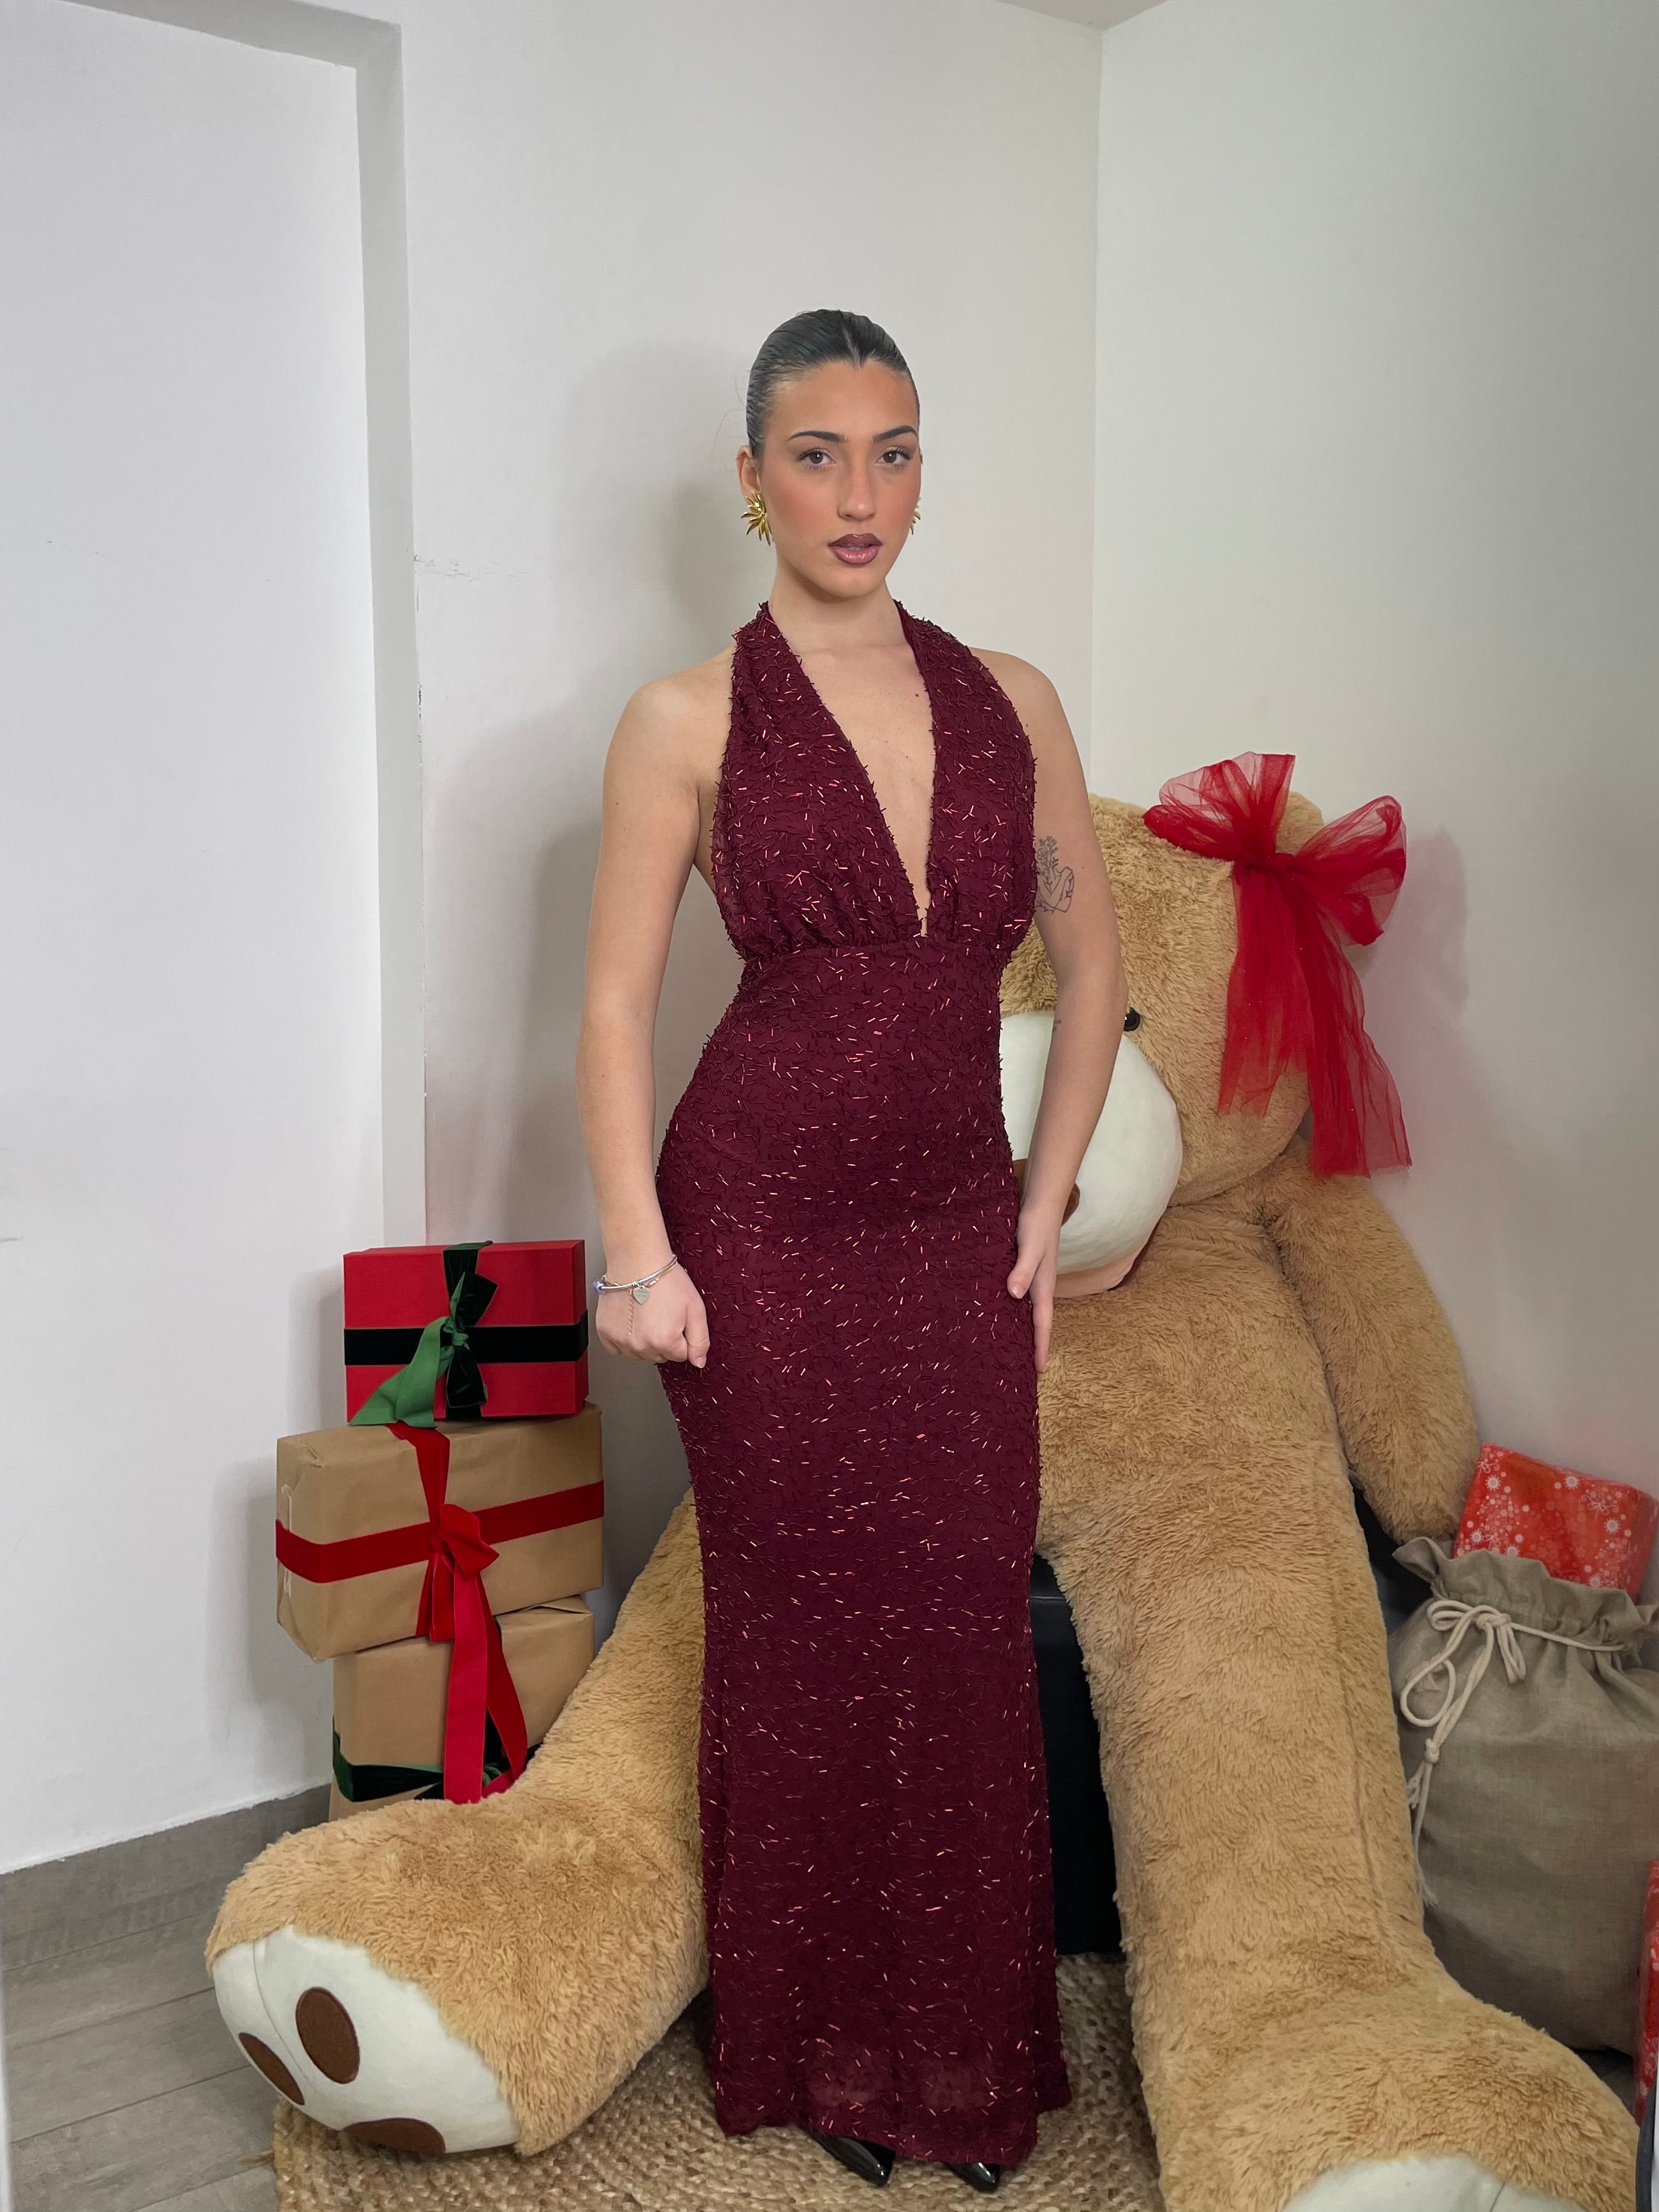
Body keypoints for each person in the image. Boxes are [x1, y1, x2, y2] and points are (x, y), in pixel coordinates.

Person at [576, 308, 1127, 2194]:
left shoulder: (1014, 699)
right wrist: (640, 1254)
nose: (859, 492)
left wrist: (1044, 1204)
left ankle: (962, 2057)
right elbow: (613, 1009)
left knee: (959, 1629)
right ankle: (814, 2046)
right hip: (758, 1230)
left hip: (955, 1231)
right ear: (753, 480)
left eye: (894, 451)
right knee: (803, 1632)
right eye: (817, 454)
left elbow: (1093, 967)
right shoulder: (683, 718)